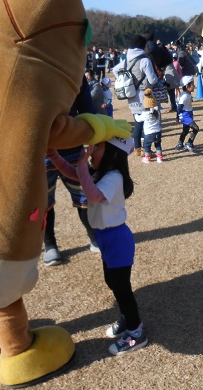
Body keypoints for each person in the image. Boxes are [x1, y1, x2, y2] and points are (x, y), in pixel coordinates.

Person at [47, 137, 148, 356]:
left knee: (122, 288)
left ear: (113, 153)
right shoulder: (100, 173)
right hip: (106, 238)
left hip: (117, 239)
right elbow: (73, 175)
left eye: (97, 147)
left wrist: (82, 165)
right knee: (111, 281)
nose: (90, 151)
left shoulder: (113, 177)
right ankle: (126, 318)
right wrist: (54, 155)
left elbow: (92, 194)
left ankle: (136, 332)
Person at [43, 76, 100, 267]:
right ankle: (50, 245)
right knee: (44, 203)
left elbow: (87, 107)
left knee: (84, 197)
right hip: (39, 149)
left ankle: (94, 237)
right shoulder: (30, 65)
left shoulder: (73, 70)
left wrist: (94, 134)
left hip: (72, 147)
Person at [112, 35, 158, 156]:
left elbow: (115, 70)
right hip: (144, 95)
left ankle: (138, 147)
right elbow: (152, 80)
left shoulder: (127, 60)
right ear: (143, 46)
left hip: (131, 94)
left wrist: (126, 80)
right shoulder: (145, 60)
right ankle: (146, 149)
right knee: (146, 122)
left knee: (138, 122)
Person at [137, 88, 162, 163]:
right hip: (158, 131)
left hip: (149, 133)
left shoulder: (145, 113)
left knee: (147, 146)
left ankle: (147, 158)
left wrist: (135, 115)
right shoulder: (157, 111)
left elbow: (139, 119)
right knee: (158, 145)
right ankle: (160, 157)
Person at [176, 76, 199, 153]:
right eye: (192, 84)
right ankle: (189, 143)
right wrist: (178, 116)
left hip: (188, 114)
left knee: (185, 130)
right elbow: (179, 107)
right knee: (196, 128)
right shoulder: (184, 96)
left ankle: (180, 143)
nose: (194, 86)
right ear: (187, 86)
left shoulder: (187, 94)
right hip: (185, 115)